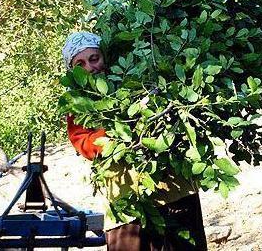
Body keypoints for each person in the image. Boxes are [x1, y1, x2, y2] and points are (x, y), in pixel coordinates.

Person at [61, 32, 208, 251]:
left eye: (94, 58)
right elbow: (84, 144)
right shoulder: (76, 103)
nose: (91, 67)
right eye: (81, 64)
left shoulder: (137, 80)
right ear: (73, 71)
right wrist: (118, 134)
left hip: (173, 189)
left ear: (105, 57)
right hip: (126, 200)